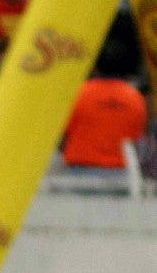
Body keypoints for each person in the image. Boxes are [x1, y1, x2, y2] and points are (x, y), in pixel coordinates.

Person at [61, 39, 147, 174]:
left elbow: (64, 128)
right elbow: (137, 134)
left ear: (95, 65)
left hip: (79, 169)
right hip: (120, 171)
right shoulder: (135, 98)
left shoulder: (79, 93)